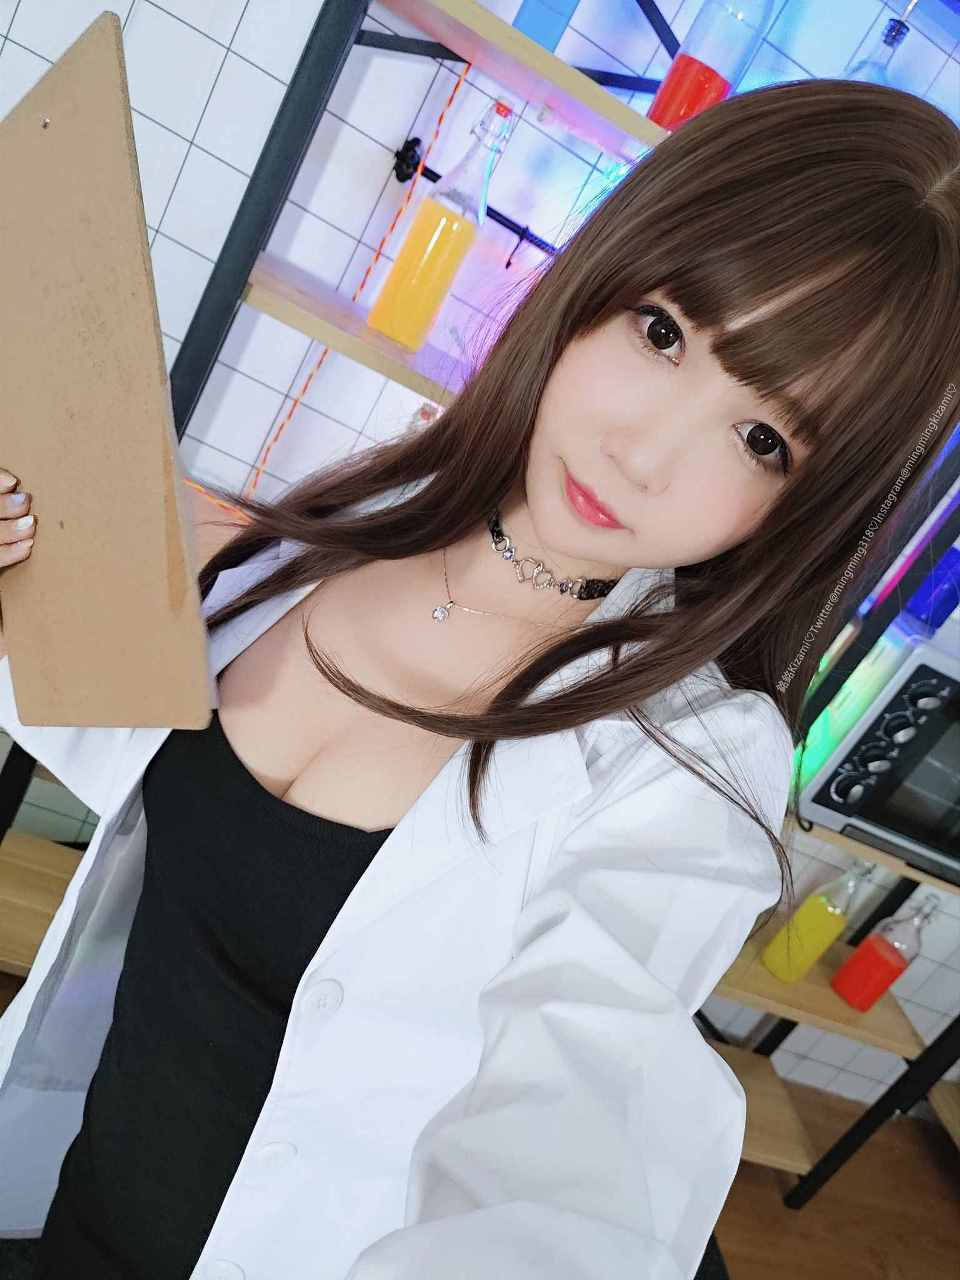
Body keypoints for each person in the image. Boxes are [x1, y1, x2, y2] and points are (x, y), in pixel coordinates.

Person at [0, 76, 958, 1280]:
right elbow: (126, 746)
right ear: (600, 278)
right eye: (663, 332)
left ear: (808, 505)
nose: (643, 452)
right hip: (69, 1210)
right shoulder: (363, 510)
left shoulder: (692, 768)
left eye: (761, 437)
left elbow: (572, 1142)